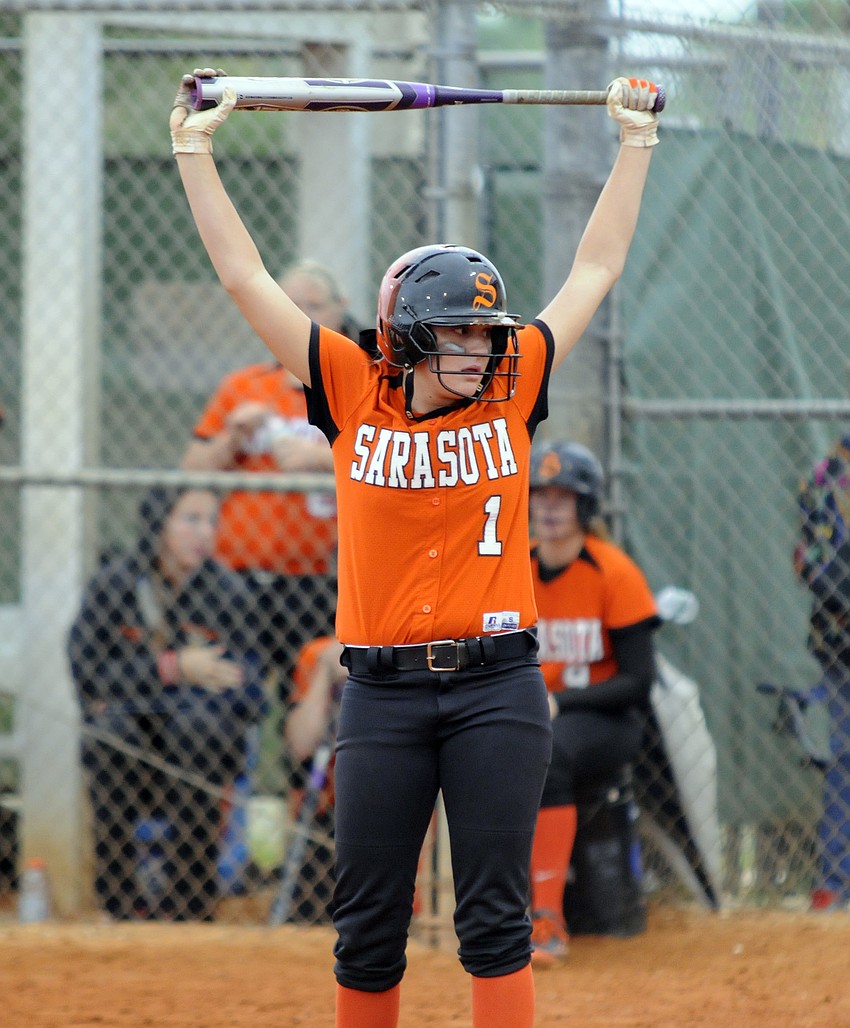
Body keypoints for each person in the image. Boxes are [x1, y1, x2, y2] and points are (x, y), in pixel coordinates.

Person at [170, 66, 660, 1027]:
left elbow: (595, 270)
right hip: (383, 692)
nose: (483, 348)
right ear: (404, 337)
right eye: (459, 334)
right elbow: (244, 277)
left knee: (494, 921)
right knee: (367, 926)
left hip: (498, 686)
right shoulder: (349, 383)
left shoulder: (516, 384)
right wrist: (195, 148)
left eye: (486, 331)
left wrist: (634, 142)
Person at [68, 486, 266, 921]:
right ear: (158, 526)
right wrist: (175, 668)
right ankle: (119, 904)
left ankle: (189, 905)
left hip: (199, 745)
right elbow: (87, 672)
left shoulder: (228, 592)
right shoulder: (115, 585)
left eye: (211, 521)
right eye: (191, 520)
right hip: (133, 743)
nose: (205, 533)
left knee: (197, 728)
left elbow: (252, 692)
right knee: (112, 734)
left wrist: (140, 684)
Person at [179, 259, 358, 689]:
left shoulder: (360, 387)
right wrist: (233, 437)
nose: (301, 316)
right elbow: (190, 470)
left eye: (313, 305)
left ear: (340, 308)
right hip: (236, 576)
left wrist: (320, 459)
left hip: (317, 578)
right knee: (235, 689)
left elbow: (394, 464)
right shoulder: (246, 386)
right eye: (289, 305)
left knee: (309, 689)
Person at [524, 440, 660, 966]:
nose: (549, 507)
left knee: (549, 750)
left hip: (606, 719)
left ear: (586, 505)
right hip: (535, 714)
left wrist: (559, 700)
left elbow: (639, 682)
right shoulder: (513, 568)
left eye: (563, 497)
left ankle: (547, 919)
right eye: (540, 495)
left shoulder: (614, 571)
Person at [794, 432, 850, 911]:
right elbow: (807, 560)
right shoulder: (827, 475)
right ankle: (834, 880)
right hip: (842, 643)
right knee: (845, 759)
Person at [280, 635, 346, 924]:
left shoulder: (411, 646)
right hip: (327, 805)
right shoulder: (320, 652)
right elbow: (301, 744)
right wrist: (324, 674)